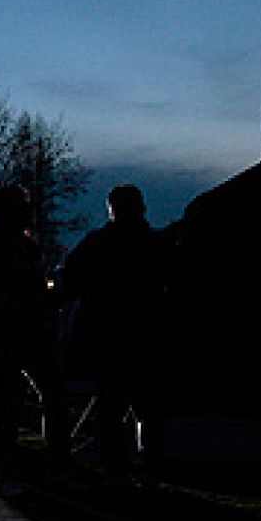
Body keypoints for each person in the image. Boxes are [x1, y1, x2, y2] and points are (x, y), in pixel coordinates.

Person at [59, 184, 168, 485]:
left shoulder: (97, 245)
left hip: (108, 339)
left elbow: (69, 281)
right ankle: (150, 469)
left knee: (112, 408)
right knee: (147, 409)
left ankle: (115, 470)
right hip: (145, 336)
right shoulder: (154, 244)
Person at [0, 184, 71, 495]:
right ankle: (5, 473)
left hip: (29, 330)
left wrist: (46, 299)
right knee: (7, 402)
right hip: (3, 331)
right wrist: (30, 302)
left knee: (52, 395)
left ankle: (57, 467)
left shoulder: (27, 247)